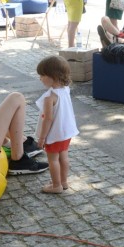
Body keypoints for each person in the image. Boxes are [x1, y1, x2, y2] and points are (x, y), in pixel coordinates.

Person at [35, 56, 80, 194]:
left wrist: (42, 138)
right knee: (64, 156)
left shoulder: (50, 98)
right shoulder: (65, 90)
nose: (40, 78)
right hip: (66, 131)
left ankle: (56, 185)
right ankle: (63, 181)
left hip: (54, 134)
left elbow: (47, 119)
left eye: (42, 75)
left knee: (53, 160)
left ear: (52, 76)